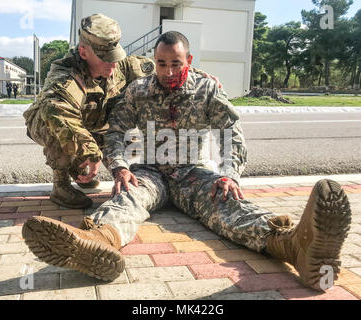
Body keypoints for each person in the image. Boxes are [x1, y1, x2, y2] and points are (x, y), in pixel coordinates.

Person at [22, 31, 352, 291]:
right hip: (150, 171)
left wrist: (230, 173)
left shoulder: (207, 90)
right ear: (155, 60)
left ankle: (294, 246)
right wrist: (119, 166)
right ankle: (98, 241)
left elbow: (231, 133)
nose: (168, 71)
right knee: (129, 197)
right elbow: (116, 130)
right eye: (161, 63)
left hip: (194, 173)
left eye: (176, 63)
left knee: (227, 203)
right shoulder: (138, 90)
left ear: (188, 60)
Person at [23, 13, 220, 210]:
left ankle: (80, 169)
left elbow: (165, 66)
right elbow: (60, 113)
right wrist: (91, 154)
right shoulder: (65, 75)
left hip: (94, 127)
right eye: (106, 58)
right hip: (51, 123)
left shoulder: (122, 66)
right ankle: (61, 186)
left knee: (128, 141)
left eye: (115, 56)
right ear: (83, 52)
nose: (113, 63)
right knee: (57, 126)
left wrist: (200, 76)